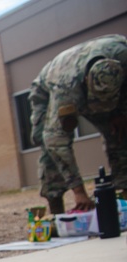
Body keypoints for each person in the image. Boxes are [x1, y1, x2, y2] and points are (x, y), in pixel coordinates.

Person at [29, 35, 127, 215]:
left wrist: (121, 111)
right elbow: (56, 141)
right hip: (48, 90)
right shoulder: (67, 87)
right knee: (47, 145)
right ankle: (56, 209)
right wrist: (79, 191)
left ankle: (124, 197)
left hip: (104, 85)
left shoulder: (123, 54)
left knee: (121, 133)